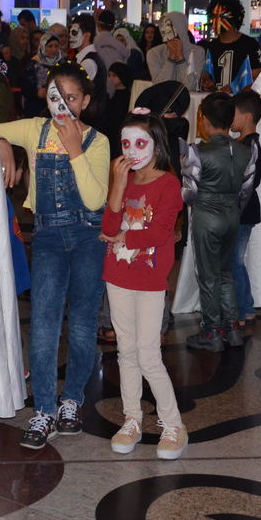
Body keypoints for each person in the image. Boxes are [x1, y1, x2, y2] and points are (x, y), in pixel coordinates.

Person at [0, 64, 110, 451]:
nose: (63, 104)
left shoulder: (98, 141)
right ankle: (44, 408)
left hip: (87, 239)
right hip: (47, 237)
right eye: (55, 95)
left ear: (86, 102)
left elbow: (97, 199)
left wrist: (76, 150)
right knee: (44, 324)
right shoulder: (34, 129)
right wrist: (0, 142)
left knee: (81, 325)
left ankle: (72, 400)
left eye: (72, 97)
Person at [100, 112, 187, 460]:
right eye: (125, 144)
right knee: (126, 352)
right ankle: (132, 418)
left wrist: (122, 234)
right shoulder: (123, 180)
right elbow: (107, 220)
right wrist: (118, 187)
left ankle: (173, 424)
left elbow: (159, 232)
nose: (132, 151)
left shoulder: (168, 184)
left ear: (156, 144)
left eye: (140, 143)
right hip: (117, 276)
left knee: (149, 355)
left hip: (150, 280)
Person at [181, 93, 246, 352]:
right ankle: (232, 328)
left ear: (204, 120)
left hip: (207, 217)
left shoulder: (198, 152)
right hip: (232, 215)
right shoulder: (245, 150)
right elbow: (246, 190)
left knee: (208, 277)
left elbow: (188, 194)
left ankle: (211, 331)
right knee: (226, 272)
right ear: (231, 120)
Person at [229, 90, 261, 331]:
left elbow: (247, 182)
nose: (230, 118)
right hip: (243, 210)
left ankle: (241, 311)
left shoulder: (249, 146)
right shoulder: (245, 144)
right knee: (235, 262)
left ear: (247, 117)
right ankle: (247, 308)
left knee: (233, 263)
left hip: (242, 211)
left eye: (234, 114)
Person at [202, 0, 261, 89]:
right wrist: (207, 83)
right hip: (217, 100)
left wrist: (236, 86)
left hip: (241, 101)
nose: (217, 21)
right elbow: (206, 75)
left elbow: (257, 75)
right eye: (214, 16)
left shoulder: (249, 44)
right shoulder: (211, 46)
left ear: (234, 16)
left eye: (222, 16)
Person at [146, 12, 205, 92]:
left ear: (180, 27)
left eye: (168, 25)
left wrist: (180, 58)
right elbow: (159, 86)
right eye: (161, 26)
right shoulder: (154, 53)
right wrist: (171, 58)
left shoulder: (197, 52)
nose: (163, 30)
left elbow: (189, 86)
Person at [23, 32, 64, 118]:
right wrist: (37, 93)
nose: (54, 49)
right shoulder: (33, 63)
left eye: (56, 46)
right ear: (43, 46)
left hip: (57, 107)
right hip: (36, 108)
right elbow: (25, 87)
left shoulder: (62, 63)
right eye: (50, 46)